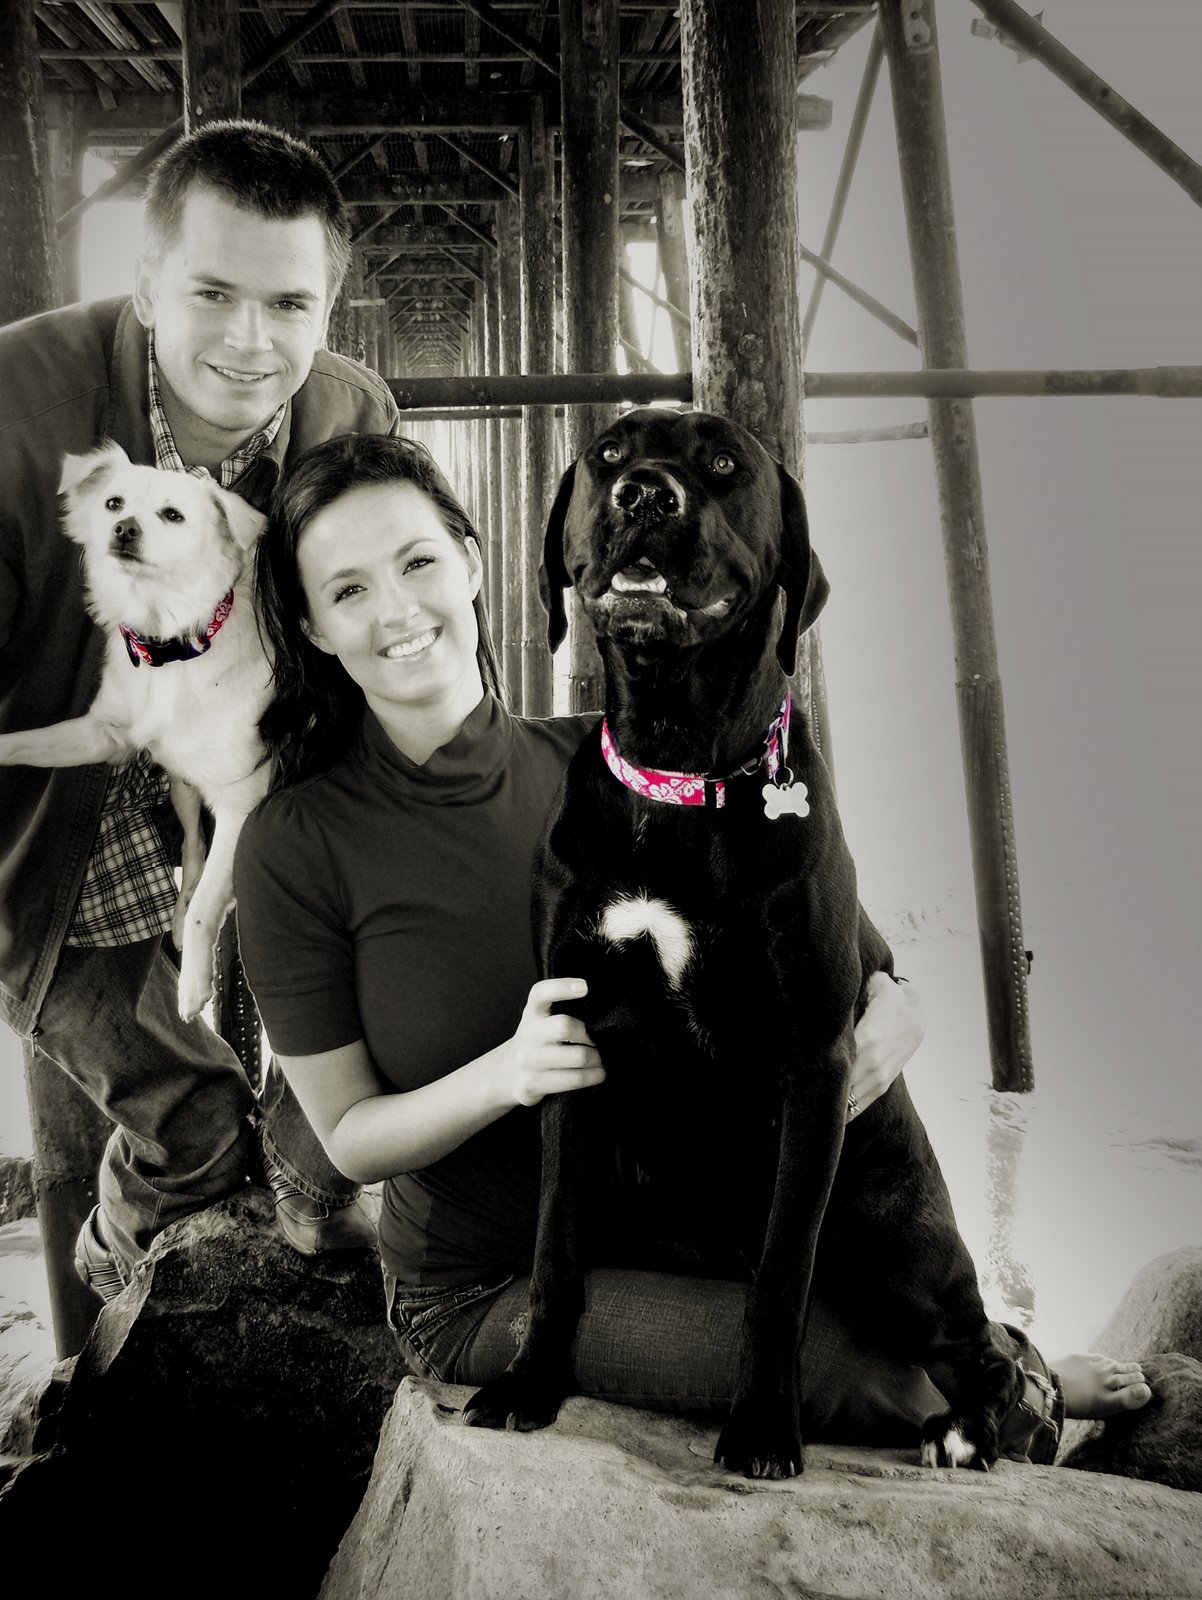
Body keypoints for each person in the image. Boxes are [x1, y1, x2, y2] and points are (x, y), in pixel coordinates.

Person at [233, 433, 1151, 1461]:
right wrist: (509, 1073)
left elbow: (838, 944)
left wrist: (904, 1006)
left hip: (665, 1223)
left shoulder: (610, 765)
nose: (397, 610)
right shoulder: (293, 844)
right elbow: (347, 1137)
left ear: (475, 563)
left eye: (417, 563)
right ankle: (1024, 1385)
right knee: (837, 1370)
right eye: (348, 590)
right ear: (311, 625)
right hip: (486, 1281)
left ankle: (994, 1361)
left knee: (851, 1294)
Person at [0, 118, 396, 1304]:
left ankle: (297, 1210)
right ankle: (105, 1292)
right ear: (145, 282)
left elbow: (393, 633)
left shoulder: (348, 418)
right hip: (50, 826)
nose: (248, 341)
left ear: (328, 306)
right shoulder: (16, 405)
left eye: (289, 304)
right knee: (197, 1126)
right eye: (212, 293)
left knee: (375, 1053)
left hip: (252, 785)